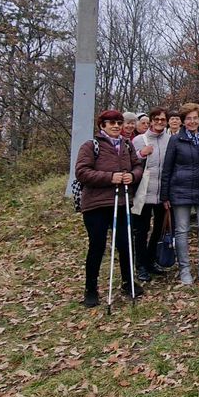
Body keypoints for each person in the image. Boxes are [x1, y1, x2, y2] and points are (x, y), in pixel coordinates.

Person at [75, 110, 145, 307]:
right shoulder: (91, 146)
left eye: (118, 123)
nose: (115, 126)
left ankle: (128, 281)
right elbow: (82, 172)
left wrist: (132, 176)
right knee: (97, 246)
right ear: (102, 125)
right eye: (111, 123)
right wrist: (110, 177)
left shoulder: (126, 145)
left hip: (121, 202)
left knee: (125, 244)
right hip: (96, 204)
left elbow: (138, 166)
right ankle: (90, 289)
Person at [160, 104, 199, 285]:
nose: (192, 121)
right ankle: (184, 269)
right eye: (188, 118)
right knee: (181, 231)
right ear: (183, 121)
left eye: (195, 118)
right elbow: (167, 168)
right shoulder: (175, 140)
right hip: (180, 190)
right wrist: (165, 196)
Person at [132, 108, 171, 281]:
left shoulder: (170, 140)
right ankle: (140, 264)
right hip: (143, 192)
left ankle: (151, 259)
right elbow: (130, 162)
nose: (160, 122)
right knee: (142, 230)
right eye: (156, 119)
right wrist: (141, 154)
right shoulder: (139, 140)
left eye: (163, 119)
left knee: (158, 230)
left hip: (162, 192)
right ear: (151, 121)